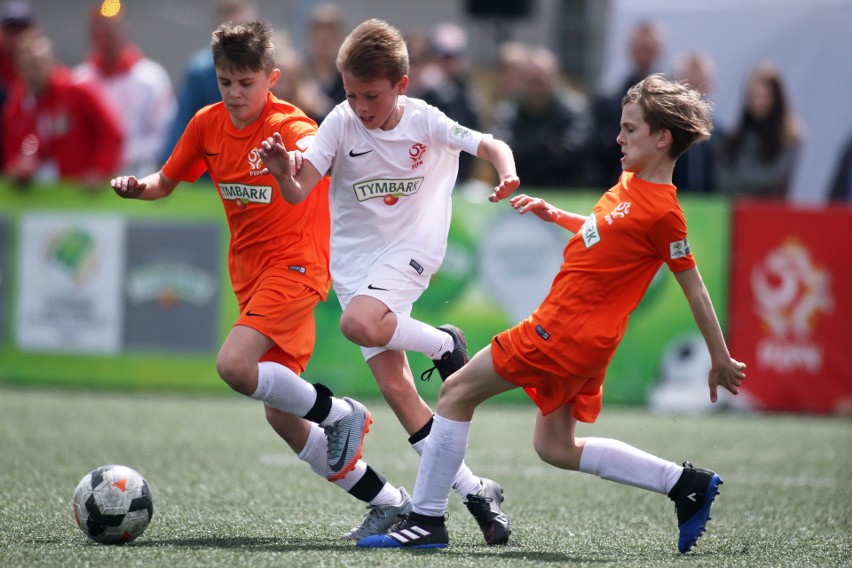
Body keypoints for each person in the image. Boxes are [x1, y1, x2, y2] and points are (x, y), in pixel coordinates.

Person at [358, 74, 747, 552]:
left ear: (662, 138)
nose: (618, 137)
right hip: (581, 339)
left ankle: (426, 521)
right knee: (555, 448)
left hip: (563, 332)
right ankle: (684, 483)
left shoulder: (664, 211)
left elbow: (696, 289)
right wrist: (555, 215)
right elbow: (607, 234)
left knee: (456, 392)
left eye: (630, 129)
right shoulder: (629, 184)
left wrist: (720, 358)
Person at [110, 20, 414, 542]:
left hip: (296, 268)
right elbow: (167, 180)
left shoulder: (290, 126)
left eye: (245, 82)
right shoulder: (207, 125)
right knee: (282, 415)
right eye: (226, 81)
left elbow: (316, 152)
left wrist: (291, 164)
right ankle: (389, 502)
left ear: (270, 79)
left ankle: (342, 413)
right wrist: (139, 187)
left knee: (233, 364)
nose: (234, 93)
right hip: (251, 277)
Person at [258, 18, 520, 545]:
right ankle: (474, 492)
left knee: (360, 323)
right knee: (400, 391)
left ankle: (443, 342)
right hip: (355, 267)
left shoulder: (425, 120)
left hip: (412, 253)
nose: (359, 106)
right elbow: (297, 191)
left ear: (402, 85)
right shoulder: (338, 121)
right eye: (352, 94)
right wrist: (282, 170)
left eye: (370, 95)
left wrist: (507, 172)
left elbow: (489, 144)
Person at [3, 30, 122, 190]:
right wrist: (18, 166)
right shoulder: (17, 106)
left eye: (40, 62)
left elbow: (111, 133)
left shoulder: (78, 92)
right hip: (42, 195)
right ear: (19, 69)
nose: (35, 70)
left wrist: (100, 169)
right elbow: (19, 146)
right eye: (29, 65)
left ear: (53, 62)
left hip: (85, 194)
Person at [74, 3, 176, 177]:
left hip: (137, 174)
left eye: (112, 30)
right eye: (101, 31)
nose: (106, 38)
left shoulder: (152, 77)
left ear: (125, 30)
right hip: (89, 177)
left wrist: (123, 156)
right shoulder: (80, 79)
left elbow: (165, 131)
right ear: (92, 36)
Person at [160, 0, 257, 165]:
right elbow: (185, 120)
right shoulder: (200, 71)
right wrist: (170, 162)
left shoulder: (266, 67)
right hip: (210, 162)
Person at [491, 45, 591, 188]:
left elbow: (576, 152)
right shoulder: (508, 111)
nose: (537, 89)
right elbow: (502, 149)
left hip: (565, 191)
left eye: (541, 81)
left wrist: (528, 149)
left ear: (555, 78)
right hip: (520, 189)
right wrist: (549, 146)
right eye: (532, 81)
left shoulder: (574, 109)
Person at [590, 21, 665, 187]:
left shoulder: (670, 99)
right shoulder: (609, 99)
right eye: (641, 48)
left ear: (659, 51)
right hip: (618, 187)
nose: (645, 54)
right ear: (630, 50)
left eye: (649, 48)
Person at [717, 62, 803, 198]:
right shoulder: (736, 137)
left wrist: (741, 181)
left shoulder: (789, 136)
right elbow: (722, 177)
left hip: (771, 213)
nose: (757, 102)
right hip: (737, 211)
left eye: (763, 96)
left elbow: (774, 177)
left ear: (775, 98)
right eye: (753, 96)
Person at [420, 23, 482, 183]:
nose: (449, 62)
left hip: (458, 173)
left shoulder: (466, 89)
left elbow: (470, 127)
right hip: (426, 173)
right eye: (444, 57)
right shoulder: (423, 90)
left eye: (454, 57)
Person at [672, 52, 720, 193]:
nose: (694, 95)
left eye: (700, 87)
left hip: (709, 210)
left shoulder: (718, 134)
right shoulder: (666, 129)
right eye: (690, 87)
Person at [303, 3, 347, 123]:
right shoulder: (298, 74)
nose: (324, 44)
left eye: (330, 37)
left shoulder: (349, 76)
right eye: (320, 38)